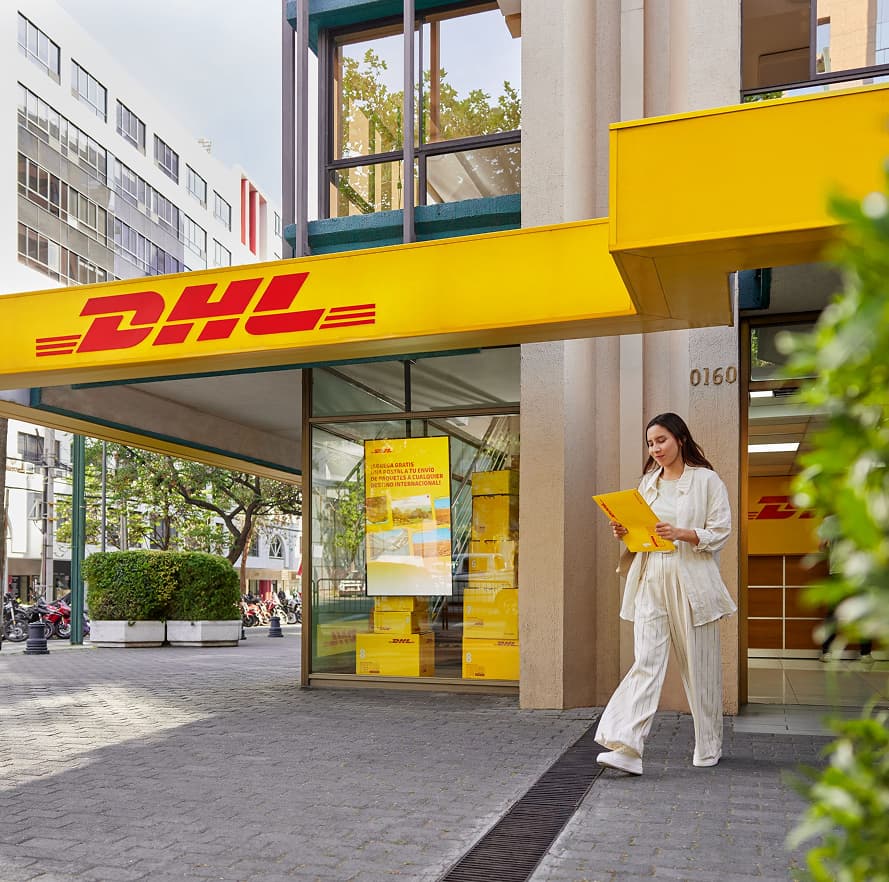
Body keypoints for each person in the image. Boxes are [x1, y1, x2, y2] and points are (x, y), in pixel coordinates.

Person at [595, 412, 737, 775]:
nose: (655, 448)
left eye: (661, 440)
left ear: (680, 439)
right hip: (651, 578)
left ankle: (709, 745)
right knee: (646, 662)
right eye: (650, 443)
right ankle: (627, 747)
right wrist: (623, 532)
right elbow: (640, 535)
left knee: (699, 668)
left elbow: (721, 531)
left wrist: (683, 532)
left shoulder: (707, 481)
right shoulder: (647, 484)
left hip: (691, 582)